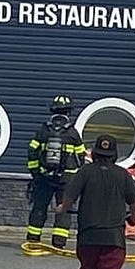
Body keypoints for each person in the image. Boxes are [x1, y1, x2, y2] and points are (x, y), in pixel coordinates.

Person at [56, 134, 135, 269]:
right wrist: (134, 219)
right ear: (114, 154)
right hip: (114, 238)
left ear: (94, 153)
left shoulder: (85, 172)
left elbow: (70, 195)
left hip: (88, 234)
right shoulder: (123, 175)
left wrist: (62, 208)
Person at [26, 95, 87, 249]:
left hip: (44, 176)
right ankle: (58, 243)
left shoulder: (43, 131)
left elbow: (32, 151)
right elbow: (81, 157)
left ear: (52, 110)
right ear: (68, 112)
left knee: (39, 207)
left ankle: (33, 240)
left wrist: (36, 172)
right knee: (63, 209)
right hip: (66, 179)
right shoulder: (73, 133)